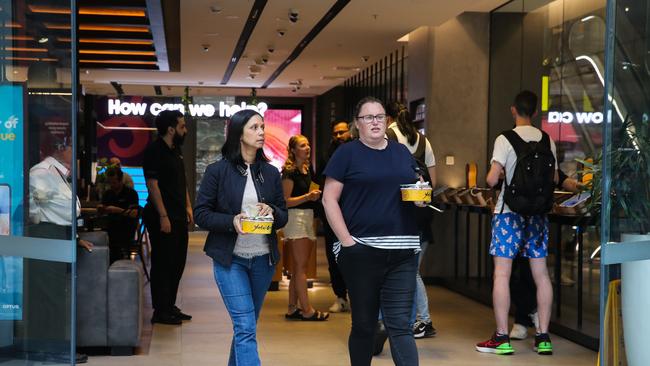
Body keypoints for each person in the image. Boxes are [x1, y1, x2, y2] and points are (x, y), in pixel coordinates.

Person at [322, 96, 424, 366]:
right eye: (368, 118)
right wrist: (347, 243)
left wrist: (421, 195)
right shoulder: (346, 154)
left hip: (403, 251)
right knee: (365, 325)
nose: (375, 122)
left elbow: (415, 190)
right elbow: (328, 199)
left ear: (387, 121)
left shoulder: (401, 152)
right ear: (358, 124)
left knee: (400, 326)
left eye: (380, 117)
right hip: (362, 251)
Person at [194, 109, 288, 366]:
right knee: (245, 326)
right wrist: (231, 221)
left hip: (262, 261)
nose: (261, 133)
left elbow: (283, 215)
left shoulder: (270, 172)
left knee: (246, 327)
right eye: (254, 128)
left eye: (262, 127)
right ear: (239, 134)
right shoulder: (218, 171)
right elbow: (201, 214)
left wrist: (273, 211)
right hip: (230, 260)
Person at [476, 90, 557, 356]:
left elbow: (491, 179)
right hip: (537, 215)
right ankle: (543, 337)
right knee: (541, 274)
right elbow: (554, 178)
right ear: (535, 112)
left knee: (502, 274)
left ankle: (502, 337)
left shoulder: (504, 138)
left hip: (508, 214)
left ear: (513, 110)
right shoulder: (547, 139)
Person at [26, 138, 93, 364]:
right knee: (49, 296)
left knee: (55, 295)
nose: (76, 153)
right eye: (73, 147)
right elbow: (49, 211)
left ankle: (53, 347)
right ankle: (50, 348)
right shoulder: (41, 172)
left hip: (57, 236)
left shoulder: (58, 173)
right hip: (45, 237)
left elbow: (66, 211)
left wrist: (75, 237)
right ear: (61, 148)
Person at [386, 101, 437, 339]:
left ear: (387, 118)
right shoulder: (424, 141)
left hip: (397, 215)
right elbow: (433, 183)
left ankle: (423, 320)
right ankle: (413, 320)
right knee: (411, 269)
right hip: (421, 215)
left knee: (407, 271)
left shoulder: (388, 137)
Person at [509, 170, 581, 340]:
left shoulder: (545, 153)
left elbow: (561, 179)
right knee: (515, 275)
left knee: (526, 273)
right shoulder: (514, 149)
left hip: (524, 218)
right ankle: (531, 312)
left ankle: (525, 318)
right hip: (519, 217)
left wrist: (585, 186)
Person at [143, 110, 193, 325]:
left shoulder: (176, 151)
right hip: (162, 216)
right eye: (182, 126)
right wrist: (163, 216)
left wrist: (189, 206)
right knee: (163, 263)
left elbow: (182, 182)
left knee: (177, 262)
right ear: (171, 129)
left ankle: (169, 304)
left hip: (178, 215)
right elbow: (152, 185)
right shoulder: (154, 151)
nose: (185, 130)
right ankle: (160, 310)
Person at [282, 135, 328, 321]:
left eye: (308, 144)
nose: (307, 148)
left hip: (308, 217)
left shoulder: (308, 169)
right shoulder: (289, 172)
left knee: (298, 267)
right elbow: (285, 202)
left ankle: (292, 308)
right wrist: (308, 197)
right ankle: (307, 310)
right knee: (301, 268)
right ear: (293, 150)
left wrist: (313, 197)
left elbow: (312, 191)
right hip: (295, 218)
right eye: (302, 145)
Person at [317, 121, 351, 313]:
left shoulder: (358, 151)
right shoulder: (327, 155)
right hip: (332, 215)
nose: (339, 136)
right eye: (336, 133)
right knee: (334, 257)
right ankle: (340, 296)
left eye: (342, 132)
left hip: (354, 215)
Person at [97, 167, 139, 263]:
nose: (111, 185)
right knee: (101, 238)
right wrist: (101, 208)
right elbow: (103, 208)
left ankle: (115, 263)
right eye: (110, 182)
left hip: (126, 228)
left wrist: (118, 210)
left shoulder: (131, 193)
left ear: (121, 181)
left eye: (114, 182)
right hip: (110, 227)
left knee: (114, 242)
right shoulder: (108, 193)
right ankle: (106, 263)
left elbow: (134, 214)